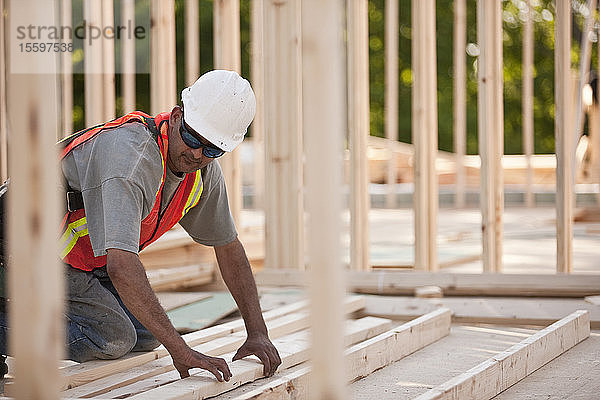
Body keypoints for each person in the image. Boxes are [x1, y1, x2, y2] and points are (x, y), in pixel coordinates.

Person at [0, 69, 281, 381]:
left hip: (76, 258)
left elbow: (228, 247)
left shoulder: (202, 173)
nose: (196, 154)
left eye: (212, 149)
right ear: (177, 117)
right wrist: (182, 351)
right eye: (192, 137)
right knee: (112, 336)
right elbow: (121, 267)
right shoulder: (131, 159)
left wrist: (257, 333)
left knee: (147, 333)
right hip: (20, 242)